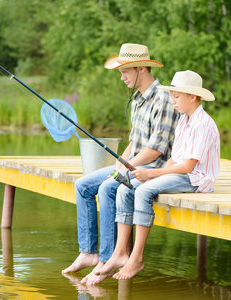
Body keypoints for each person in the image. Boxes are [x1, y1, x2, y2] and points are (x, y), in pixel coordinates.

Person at [62, 43, 180, 285]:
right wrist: (120, 162)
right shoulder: (137, 99)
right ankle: (89, 253)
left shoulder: (163, 100)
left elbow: (156, 148)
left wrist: (125, 169)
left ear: (140, 69)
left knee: (107, 188)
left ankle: (108, 258)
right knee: (83, 185)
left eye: (125, 71)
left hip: (153, 169)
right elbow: (134, 143)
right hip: (133, 163)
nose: (122, 77)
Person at [96, 70, 220, 281]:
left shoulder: (203, 124)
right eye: (171, 96)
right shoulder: (183, 120)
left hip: (196, 179)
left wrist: (151, 174)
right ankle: (119, 253)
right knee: (126, 188)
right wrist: (151, 175)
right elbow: (174, 159)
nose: (173, 101)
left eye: (177, 96)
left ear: (193, 96)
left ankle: (136, 258)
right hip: (180, 172)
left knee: (143, 191)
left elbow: (188, 166)